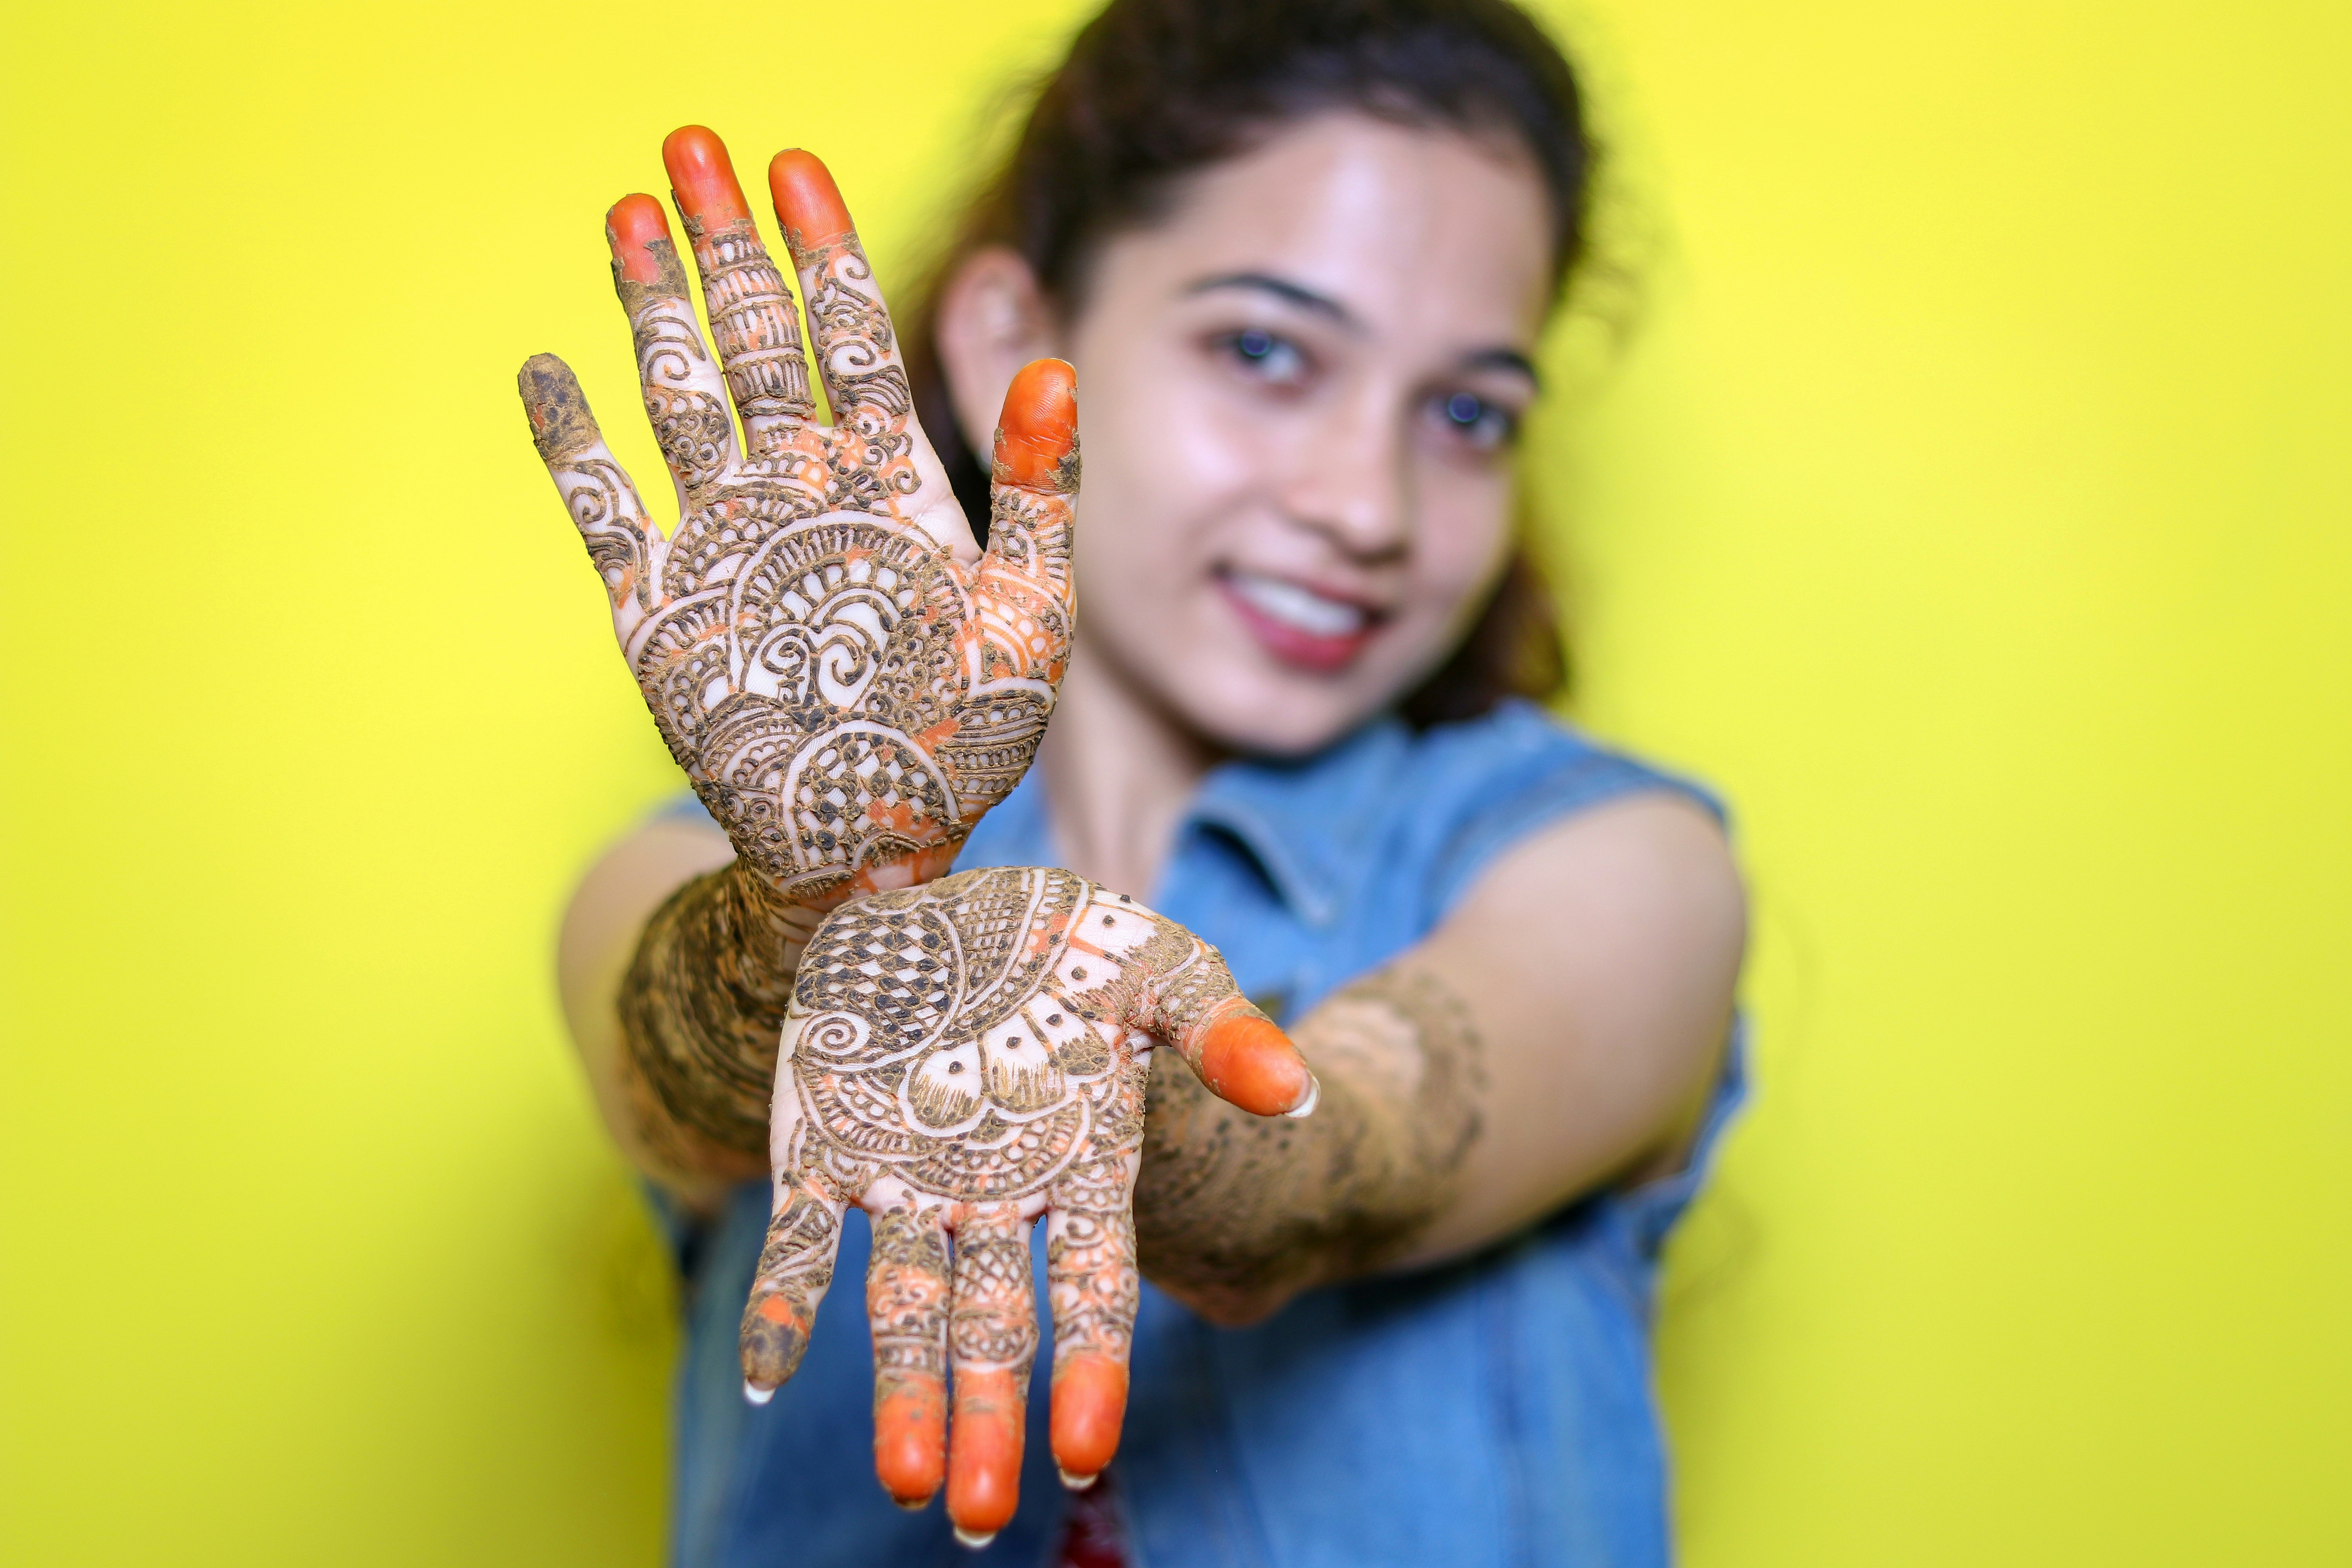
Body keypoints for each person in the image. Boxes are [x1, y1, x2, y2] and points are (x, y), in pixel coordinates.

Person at [530, 2, 1747, 1563]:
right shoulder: (667, 882)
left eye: (1466, 414)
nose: (1366, 504)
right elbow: (689, 1074)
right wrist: (825, 923)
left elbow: (1331, 1162)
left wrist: (1104, 1080)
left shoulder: (1617, 870)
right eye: (1265, 350)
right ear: (1002, 343)